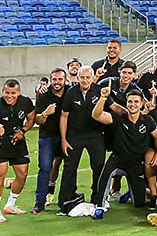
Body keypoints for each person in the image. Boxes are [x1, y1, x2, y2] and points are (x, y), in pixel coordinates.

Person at [91, 86, 157, 219]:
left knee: (140, 203)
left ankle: (133, 192)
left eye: (136, 102)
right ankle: (99, 207)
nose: (133, 104)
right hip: (117, 159)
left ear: (142, 103)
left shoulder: (148, 121)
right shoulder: (119, 117)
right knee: (103, 178)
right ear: (126, 103)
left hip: (136, 162)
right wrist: (103, 98)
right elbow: (96, 115)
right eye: (130, 101)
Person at [0, 79, 35, 223]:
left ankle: (11, 204)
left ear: (18, 93)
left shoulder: (25, 102)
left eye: (13, 93)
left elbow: (31, 119)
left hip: (18, 141)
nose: (10, 96)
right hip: (0, 144)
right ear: (3, 92)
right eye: (7, 93)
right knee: (0, 174)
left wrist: (23, 130)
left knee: (22, 173)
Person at [59, 66, 106, 212]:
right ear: (78, 78)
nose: (85, 80)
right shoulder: (71, 93)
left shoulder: (99, 90)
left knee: (99, 167)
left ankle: (98, 199)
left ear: (92, 78)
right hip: (75, 135)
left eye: (88, 77)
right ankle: (66, 200)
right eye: (82, 77)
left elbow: (112, 107)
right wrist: (63, 139)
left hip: (95, 135)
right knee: (69, 168)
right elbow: (64, 116)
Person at [32, 68, 66, 214]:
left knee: (69, 169)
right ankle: (40, 202)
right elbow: (37, 120)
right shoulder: (43, 97)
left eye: (60, 79)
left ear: (65, 80)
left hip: (67, 137)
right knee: (45, 168)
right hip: (47, 137)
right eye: (54, 79)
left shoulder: (71, 93)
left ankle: (67, 199)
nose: (57, 82)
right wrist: (46, 113)